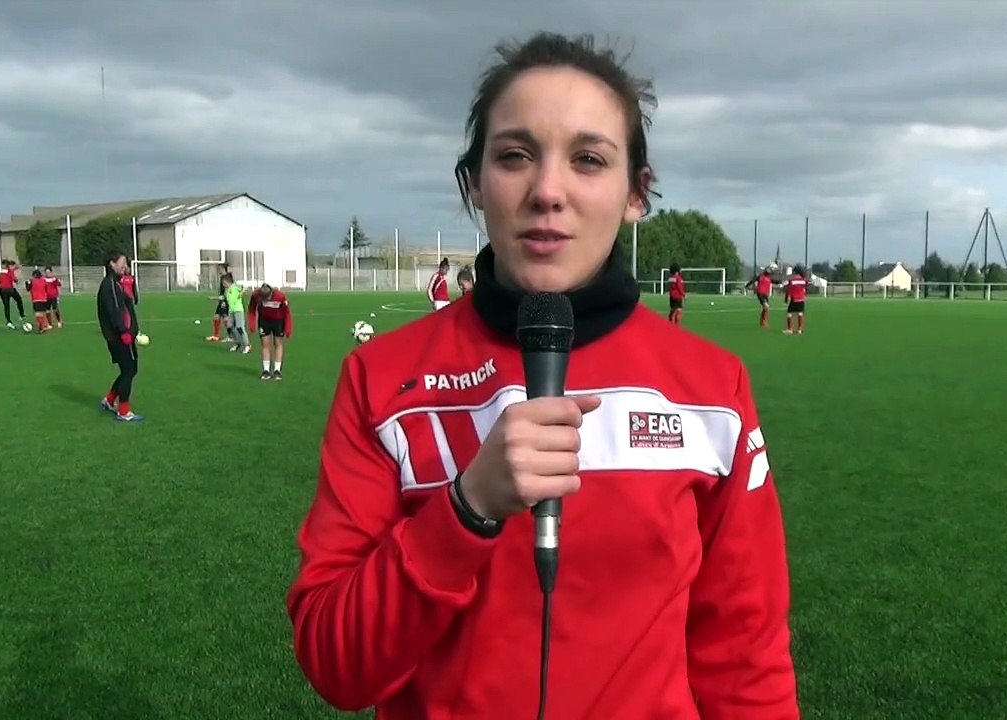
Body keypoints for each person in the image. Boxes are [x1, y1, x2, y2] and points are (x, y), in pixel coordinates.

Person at [286, 32, 799, 720]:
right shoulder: (381, 381)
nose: (547, 191)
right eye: (514, 156)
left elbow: (745, 657)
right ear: (474, 183)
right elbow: (335, 665)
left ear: (636, 193)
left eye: (589, 159)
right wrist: (466, 509)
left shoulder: (713, 390)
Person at [97, 252, 143, 422]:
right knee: (129, 370)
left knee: (128, 370)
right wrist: (125, 331)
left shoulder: (115, 283)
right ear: (112, 264)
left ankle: (109, 400)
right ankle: (123, 411)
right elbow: (116, 311)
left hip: (120, 335)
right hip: (120, 337)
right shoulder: (110, 285)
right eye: (123, 263)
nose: (125, 266)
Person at [248, 282, 292, 380]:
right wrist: (252, 323)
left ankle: (277, 370)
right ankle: (266, 370)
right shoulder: (256, 295)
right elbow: (251, 309)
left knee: (278, 344)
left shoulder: (280, 297)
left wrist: (288, 328)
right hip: (264, 321)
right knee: (265, 344)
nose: (266, 301)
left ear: (271, 293)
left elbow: (287, 313)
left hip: (278, 321)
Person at [220, 274, 251, 354]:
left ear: (227, 281)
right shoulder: (227, 290)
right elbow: (224, 297)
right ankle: (237, 343)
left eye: (223, 282)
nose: (222, 284)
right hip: (231, 311)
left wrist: (243, 291)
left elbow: (244, 289)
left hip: (238, 310)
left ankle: (247, 345)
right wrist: (214, 298)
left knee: (240, 327)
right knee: (230, 327)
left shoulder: (235, 287)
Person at [0, 259, 27, 329]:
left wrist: (17, 267)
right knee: (19, 299)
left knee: (6, 306)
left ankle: (9, 321)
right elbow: (14, 278)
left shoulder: (2, 271)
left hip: (2, 289)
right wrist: (16, 280)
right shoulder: (9, 271)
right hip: (9, 289)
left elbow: (13, 269)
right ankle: (21, 315)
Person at [207, 263, 232, 342]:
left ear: (224, 269)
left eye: (220, 269)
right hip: (222, 300)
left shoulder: (227, 277)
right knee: (216, 317)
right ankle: (216, 335)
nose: (218, 270)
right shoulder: (223, 277)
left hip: (225, 300)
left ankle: (230, 336)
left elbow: (228, 292)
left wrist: (214, 298)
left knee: (225, 318)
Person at [25, 268, 51, 334]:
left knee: (38, 314)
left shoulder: (32, 281)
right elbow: (46, 289)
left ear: (34, 275)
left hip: (36, 299)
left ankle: (41, 328)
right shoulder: (44, 281)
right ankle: (43, 327)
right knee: (42, 313)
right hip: (44, 299)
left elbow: (28, 289)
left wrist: (27, 283)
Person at [783, 266, 808, 335]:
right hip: (801, 298)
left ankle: (790, 329)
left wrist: (786, 299)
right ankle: (800, 330)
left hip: (794, 298)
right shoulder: (803, 280)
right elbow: (805, 289)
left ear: (795, 272)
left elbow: (788, 290)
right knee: (800, 313)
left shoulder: (792, 280)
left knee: (789, 313)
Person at [753, 263, 777, 328]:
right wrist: (748, 286)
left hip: (765, 294)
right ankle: (764, 322)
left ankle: (762, 322)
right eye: (771, 269)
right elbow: (753, 280)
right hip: (760, 293)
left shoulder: (769, 277)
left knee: (765, 308)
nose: (771, 271)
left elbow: (775, 281)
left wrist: (783, 282)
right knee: (766, 307)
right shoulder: (761, 276)